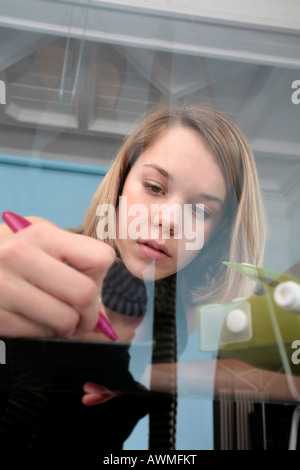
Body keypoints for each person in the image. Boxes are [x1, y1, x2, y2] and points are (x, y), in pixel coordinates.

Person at [0, 106, 298, 453]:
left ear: (218, 233)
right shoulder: (41, 246)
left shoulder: (186, 314)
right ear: (122, 182)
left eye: (200, 211)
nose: (169, 220)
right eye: (155, 187)